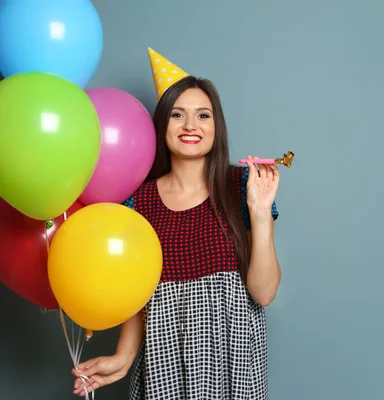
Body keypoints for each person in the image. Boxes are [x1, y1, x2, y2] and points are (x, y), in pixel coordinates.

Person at [72, 48, 282, 400]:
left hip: (234, 363)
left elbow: (263, 293)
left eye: (203, 115)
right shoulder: (136, 201)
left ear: (217, 125)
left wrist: (260, 212)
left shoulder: (243, 185)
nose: (190, 126)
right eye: (177, 115)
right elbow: (136, 296)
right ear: (162, 125)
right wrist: (123, 357)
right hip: (161, 360)